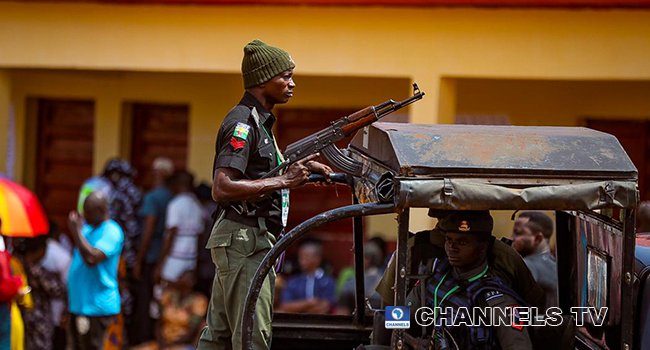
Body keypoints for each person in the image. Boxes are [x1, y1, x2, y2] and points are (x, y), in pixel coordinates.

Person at [197, 39, 332, 350]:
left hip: (244, 240)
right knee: (251, 337)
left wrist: (296, 166)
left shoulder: (261, 122)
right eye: (284, 76)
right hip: (245, 240)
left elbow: (261, 174)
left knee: (219, 336)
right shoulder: (243, 123)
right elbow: (222, 186)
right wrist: (285, 180)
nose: (292, 83)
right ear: (262, 79)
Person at [375, 209, 544, 310]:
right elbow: (391, 315)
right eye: (449, 240)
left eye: (462, 241)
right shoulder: (417, 256)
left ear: (483, 246)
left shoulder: (504, 258)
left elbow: (529, 316)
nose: (452, 248)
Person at [66, 192, 124, 350]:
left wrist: (76, 231)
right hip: (79, 305)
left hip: (97, 308)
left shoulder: (111, 231)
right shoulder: (88, 229)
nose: (85, 216)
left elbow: (92, 258)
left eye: (89, 212)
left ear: (102, 210)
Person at [132, 157, 174, 345]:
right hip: (167, 258)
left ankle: (144, 339)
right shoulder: (172, 197)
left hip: (151, 257)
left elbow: (148, 229)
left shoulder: (152, 197)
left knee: (145, 300)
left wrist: (139, 259)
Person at [16, 236, 66, 350]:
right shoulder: (37, 271)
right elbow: (59, 290)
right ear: (40, 250)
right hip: (39, 321)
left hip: (21, 318)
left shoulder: (16, 263)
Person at [155, 172, 204, 285]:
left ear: (177, 185)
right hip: (190, 262)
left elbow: (170, 235)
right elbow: (200, 237)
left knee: (166, 298)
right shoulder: (197, 206)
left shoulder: (175, 204)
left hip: (173, 262)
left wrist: (160, 264)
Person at [511, 211, 558, 310]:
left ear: (537, 238)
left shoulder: (528, 264)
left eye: (518, 233)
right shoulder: (555, 264)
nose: (512, 238)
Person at [277, 240, 336, 314]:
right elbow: (285, 306)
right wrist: (311, 303)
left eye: (306, 257)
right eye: (300, 257)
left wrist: (301, 311)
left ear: (317, 259)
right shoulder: (293, 281)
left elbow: (326, 306)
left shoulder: (328, 281)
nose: (301, 261)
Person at [40, 221, 71, 350]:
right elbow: (69, 287)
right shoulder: (62, 256)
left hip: (42, 315)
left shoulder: (42, 251)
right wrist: (66, 313)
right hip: (57, 314)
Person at [336, 241, 384, 314]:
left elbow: (342, 313)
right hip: (382, 323)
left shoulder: (351, 283)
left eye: (356, 257)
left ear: (367, 260)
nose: (353, 260)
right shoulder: (386, 281)